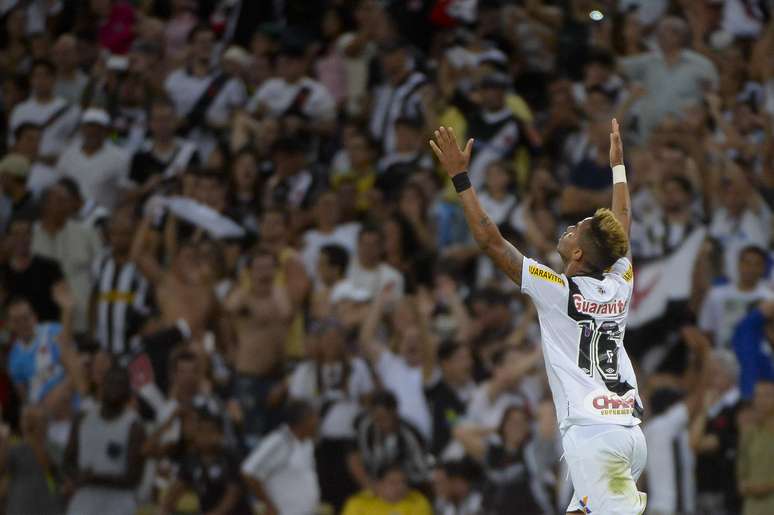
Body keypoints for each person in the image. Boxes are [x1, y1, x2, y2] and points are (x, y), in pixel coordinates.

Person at [429, 121, 646, 514]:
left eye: (576, 230)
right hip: (628, 436)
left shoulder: (558, 291)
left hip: (595, 440)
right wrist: (618, 170)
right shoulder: (620, 283)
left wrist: (460, 178)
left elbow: (490, 241)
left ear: (579, 254)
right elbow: (623, 232)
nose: (568, 228)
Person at [223, 247, 292, 446]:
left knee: (277, 438)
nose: (264, 273)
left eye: (269, 268)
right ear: (250, 272)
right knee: (250, 437)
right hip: (249, 377)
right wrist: (229, 346)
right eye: (259, 268)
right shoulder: (243, 297)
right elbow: (225, 313)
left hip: (277, 376)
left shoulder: (280, 294)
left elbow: (286, 316)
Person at [63, 365, 146, 515]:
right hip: (84, 504)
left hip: (119, 506)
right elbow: (68, 461)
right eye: (111, 383)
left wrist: (95, 478)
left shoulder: (134, 426)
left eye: (120, 385)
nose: (114, 388)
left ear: (128, 392)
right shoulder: (83, 418)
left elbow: (133, 478)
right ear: (101, 386)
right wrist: (76, 475)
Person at [455, 406, 555, 515]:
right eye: (512, 422)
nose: (517, 427)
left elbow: (547, 419)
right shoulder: (493, 453)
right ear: (504, 425)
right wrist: (495, 429)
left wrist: (533, 420)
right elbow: (460, 432)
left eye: (522, 423)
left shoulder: (533, 452)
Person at [158, 401, 250, 515]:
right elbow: (174, 491)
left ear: (219, 435)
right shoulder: (191, 460)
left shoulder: (230, 458)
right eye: (200, 431)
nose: (205, 437)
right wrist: (165, 509)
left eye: (210, 432)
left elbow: (231, 498)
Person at [241, 399, 320, 515]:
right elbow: (249, 472)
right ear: (304, 420)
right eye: (314, 417)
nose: (318, 422)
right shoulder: (279, 441)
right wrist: (269, 505)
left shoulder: (307, 443)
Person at [342, 464, 433, 515]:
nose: (400, 487)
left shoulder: (418, 500)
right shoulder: (358, 503)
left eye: (403, 482)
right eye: (393, 483)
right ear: (378, 484)